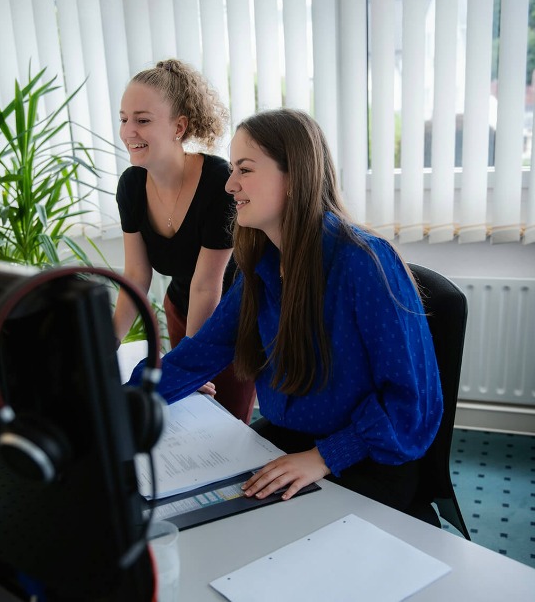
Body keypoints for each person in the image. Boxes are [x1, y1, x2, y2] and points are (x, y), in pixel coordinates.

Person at [127, 108, 443, 513]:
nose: (229, 185)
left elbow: (411, 403)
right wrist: (118, 405)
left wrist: (324, 457)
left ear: (293, 177)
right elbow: (196, 357)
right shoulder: (263, 263)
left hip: (366, 453)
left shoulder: (362, 263)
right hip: (292, 437)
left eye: (245, 169)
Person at [114, 58, 256, 423]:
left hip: (231, 317)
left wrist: (191, 365)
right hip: (182, 307)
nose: (129, 130)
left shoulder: (218, 182)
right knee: (189, 416)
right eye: (124, 118)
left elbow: (208, 285)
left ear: (179, 127)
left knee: (227, 422)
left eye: (142, 120)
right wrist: (106, 346)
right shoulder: (131, 186)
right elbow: (135, 275)